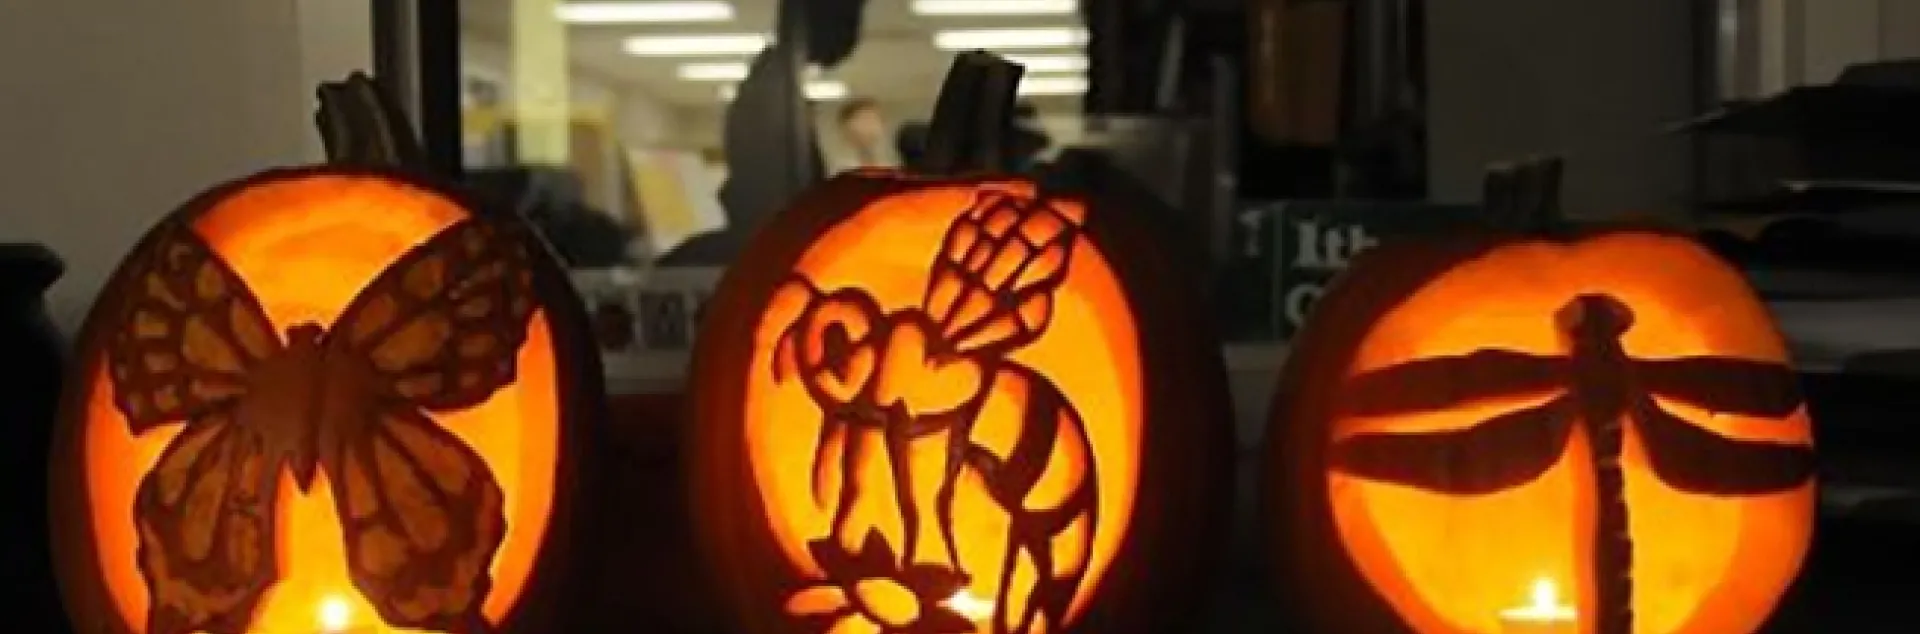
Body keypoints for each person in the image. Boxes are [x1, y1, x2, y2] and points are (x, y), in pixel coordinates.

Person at [829, 97, 900, 173]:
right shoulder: (839, 170)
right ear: (846, 129)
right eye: (864, 120)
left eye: (874, 120)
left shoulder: (892, 167)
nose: (871, 128)